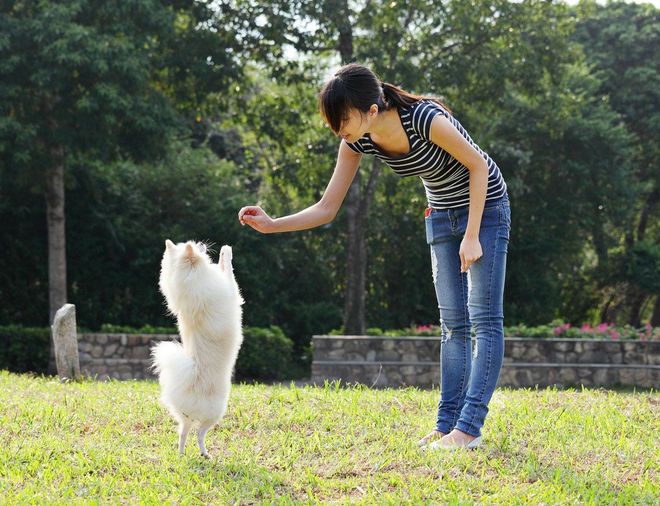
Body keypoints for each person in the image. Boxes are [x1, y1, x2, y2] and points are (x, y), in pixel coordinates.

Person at [238, 63, 511, 450]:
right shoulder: (357, 141)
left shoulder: (424, 119)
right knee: (452, 324)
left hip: (485, 210)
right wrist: (272, 224)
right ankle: (446, 425)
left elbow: (479, 165)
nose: (339, 129)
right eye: (334, 121)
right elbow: (326, 208)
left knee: (483, 318)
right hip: (440, 215)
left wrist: (472, 236)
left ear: (370, 110)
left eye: (343, 119)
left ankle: (468, 429)